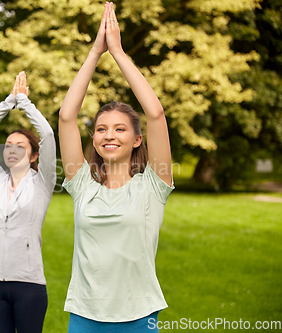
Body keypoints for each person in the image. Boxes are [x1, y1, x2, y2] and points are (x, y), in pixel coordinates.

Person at [58, 2, 174, 332]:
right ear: (93, 137)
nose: (109, 135)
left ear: (138, 139)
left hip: (139, 316)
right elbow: (66, 118)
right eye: (101, 129)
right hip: (84, 316)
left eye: (120, 129)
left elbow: (156, 115)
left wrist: (119, 53)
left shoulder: (154, 185)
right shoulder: (82, 185)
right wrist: (95, 52)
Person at [0, 71, 56, 333]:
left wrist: (25, 102)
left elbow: (48, 135)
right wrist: (10, 100)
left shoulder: (43, 182)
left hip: (29, 285)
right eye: (8, 145)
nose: (12, 149)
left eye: (20, 146)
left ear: (34, 156)